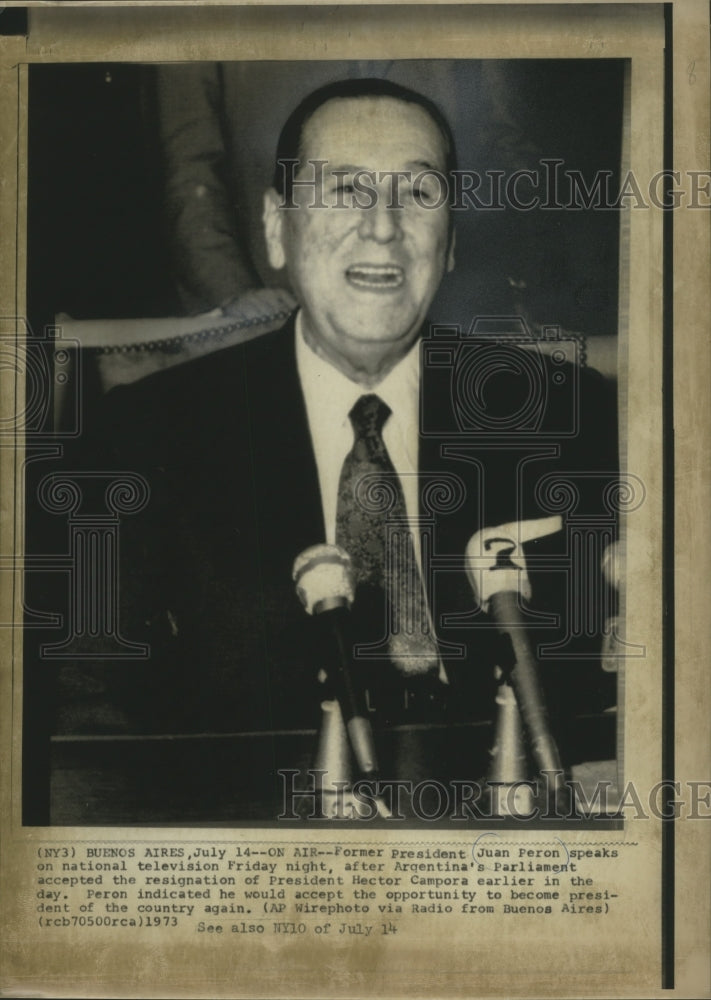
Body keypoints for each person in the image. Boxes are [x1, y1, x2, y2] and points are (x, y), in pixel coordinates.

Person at [95, 78, 617, 818]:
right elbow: (96, 724)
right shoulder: (147, 434)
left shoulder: (567, 416)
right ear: (276, 228)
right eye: (344, 190)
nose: (383, 227)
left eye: (418, 193)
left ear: (452, 239)